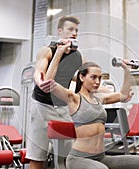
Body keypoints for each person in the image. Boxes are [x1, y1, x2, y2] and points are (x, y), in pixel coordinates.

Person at [42, 61, 139, 169]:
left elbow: (124, 95)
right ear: (82, 77)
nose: (97, 81)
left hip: (101, 157)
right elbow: (49, 82)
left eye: (100, 78)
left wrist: (126, 70)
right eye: (93, 77)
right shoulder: (74, 98)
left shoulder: (100, 99)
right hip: (78, 158)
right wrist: (59, 52)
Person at [26, 15, 85, 169]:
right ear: (60, 31)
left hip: (62, 107)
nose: (74, 33)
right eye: (70, 29)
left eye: (76, 30)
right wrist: (40, 82)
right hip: (41, 106)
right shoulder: (47, 51)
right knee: (37, 157)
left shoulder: (78, 56)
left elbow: (85, 78)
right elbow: (40, 74)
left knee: (66, 157)